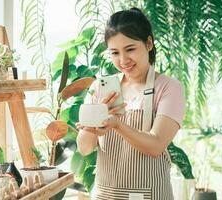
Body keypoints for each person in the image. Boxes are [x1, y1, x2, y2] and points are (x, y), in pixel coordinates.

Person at [76, 7, 185, 200]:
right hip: (105, 195)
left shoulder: (169, 88)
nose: (123, 60)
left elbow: (156, 145)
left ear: (149, 43)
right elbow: (84, 148)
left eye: (130, 49)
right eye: (115, 53)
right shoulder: (101, 88)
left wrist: (116, 124)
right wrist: (94, 121)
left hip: (150, 195)